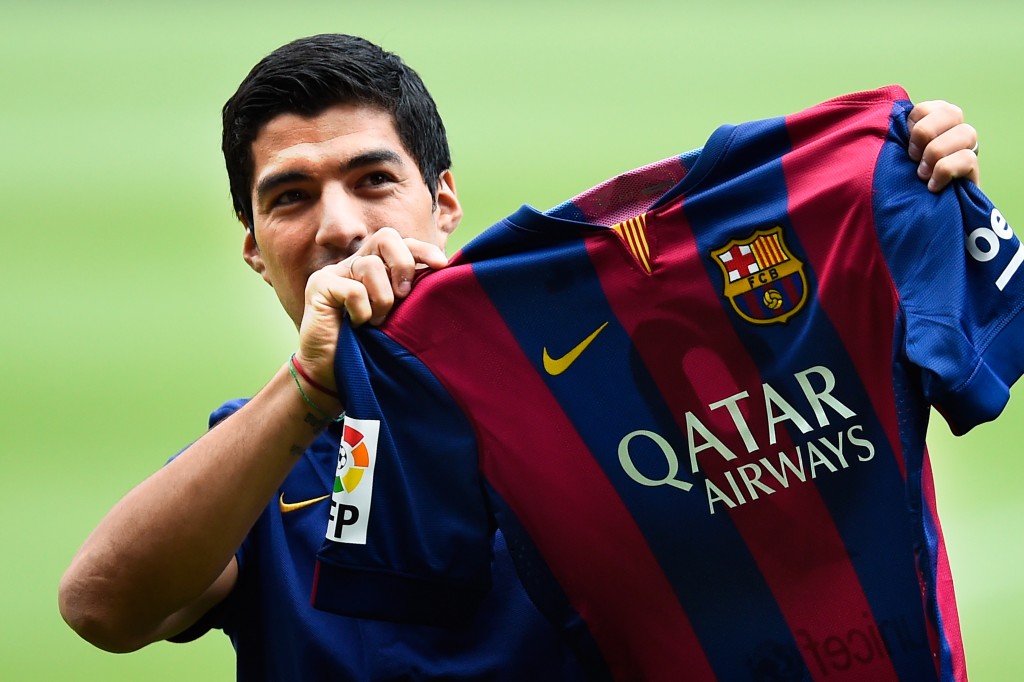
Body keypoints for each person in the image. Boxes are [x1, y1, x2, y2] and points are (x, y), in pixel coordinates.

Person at [58, 34, 982, 680]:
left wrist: (902, 184)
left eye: (373, 179)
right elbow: (102, 608)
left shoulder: (610, 399)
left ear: (443, 204)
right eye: (290, 197)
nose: (340, 226)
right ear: (256, 248)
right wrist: (308, 387)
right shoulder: (261, 462)